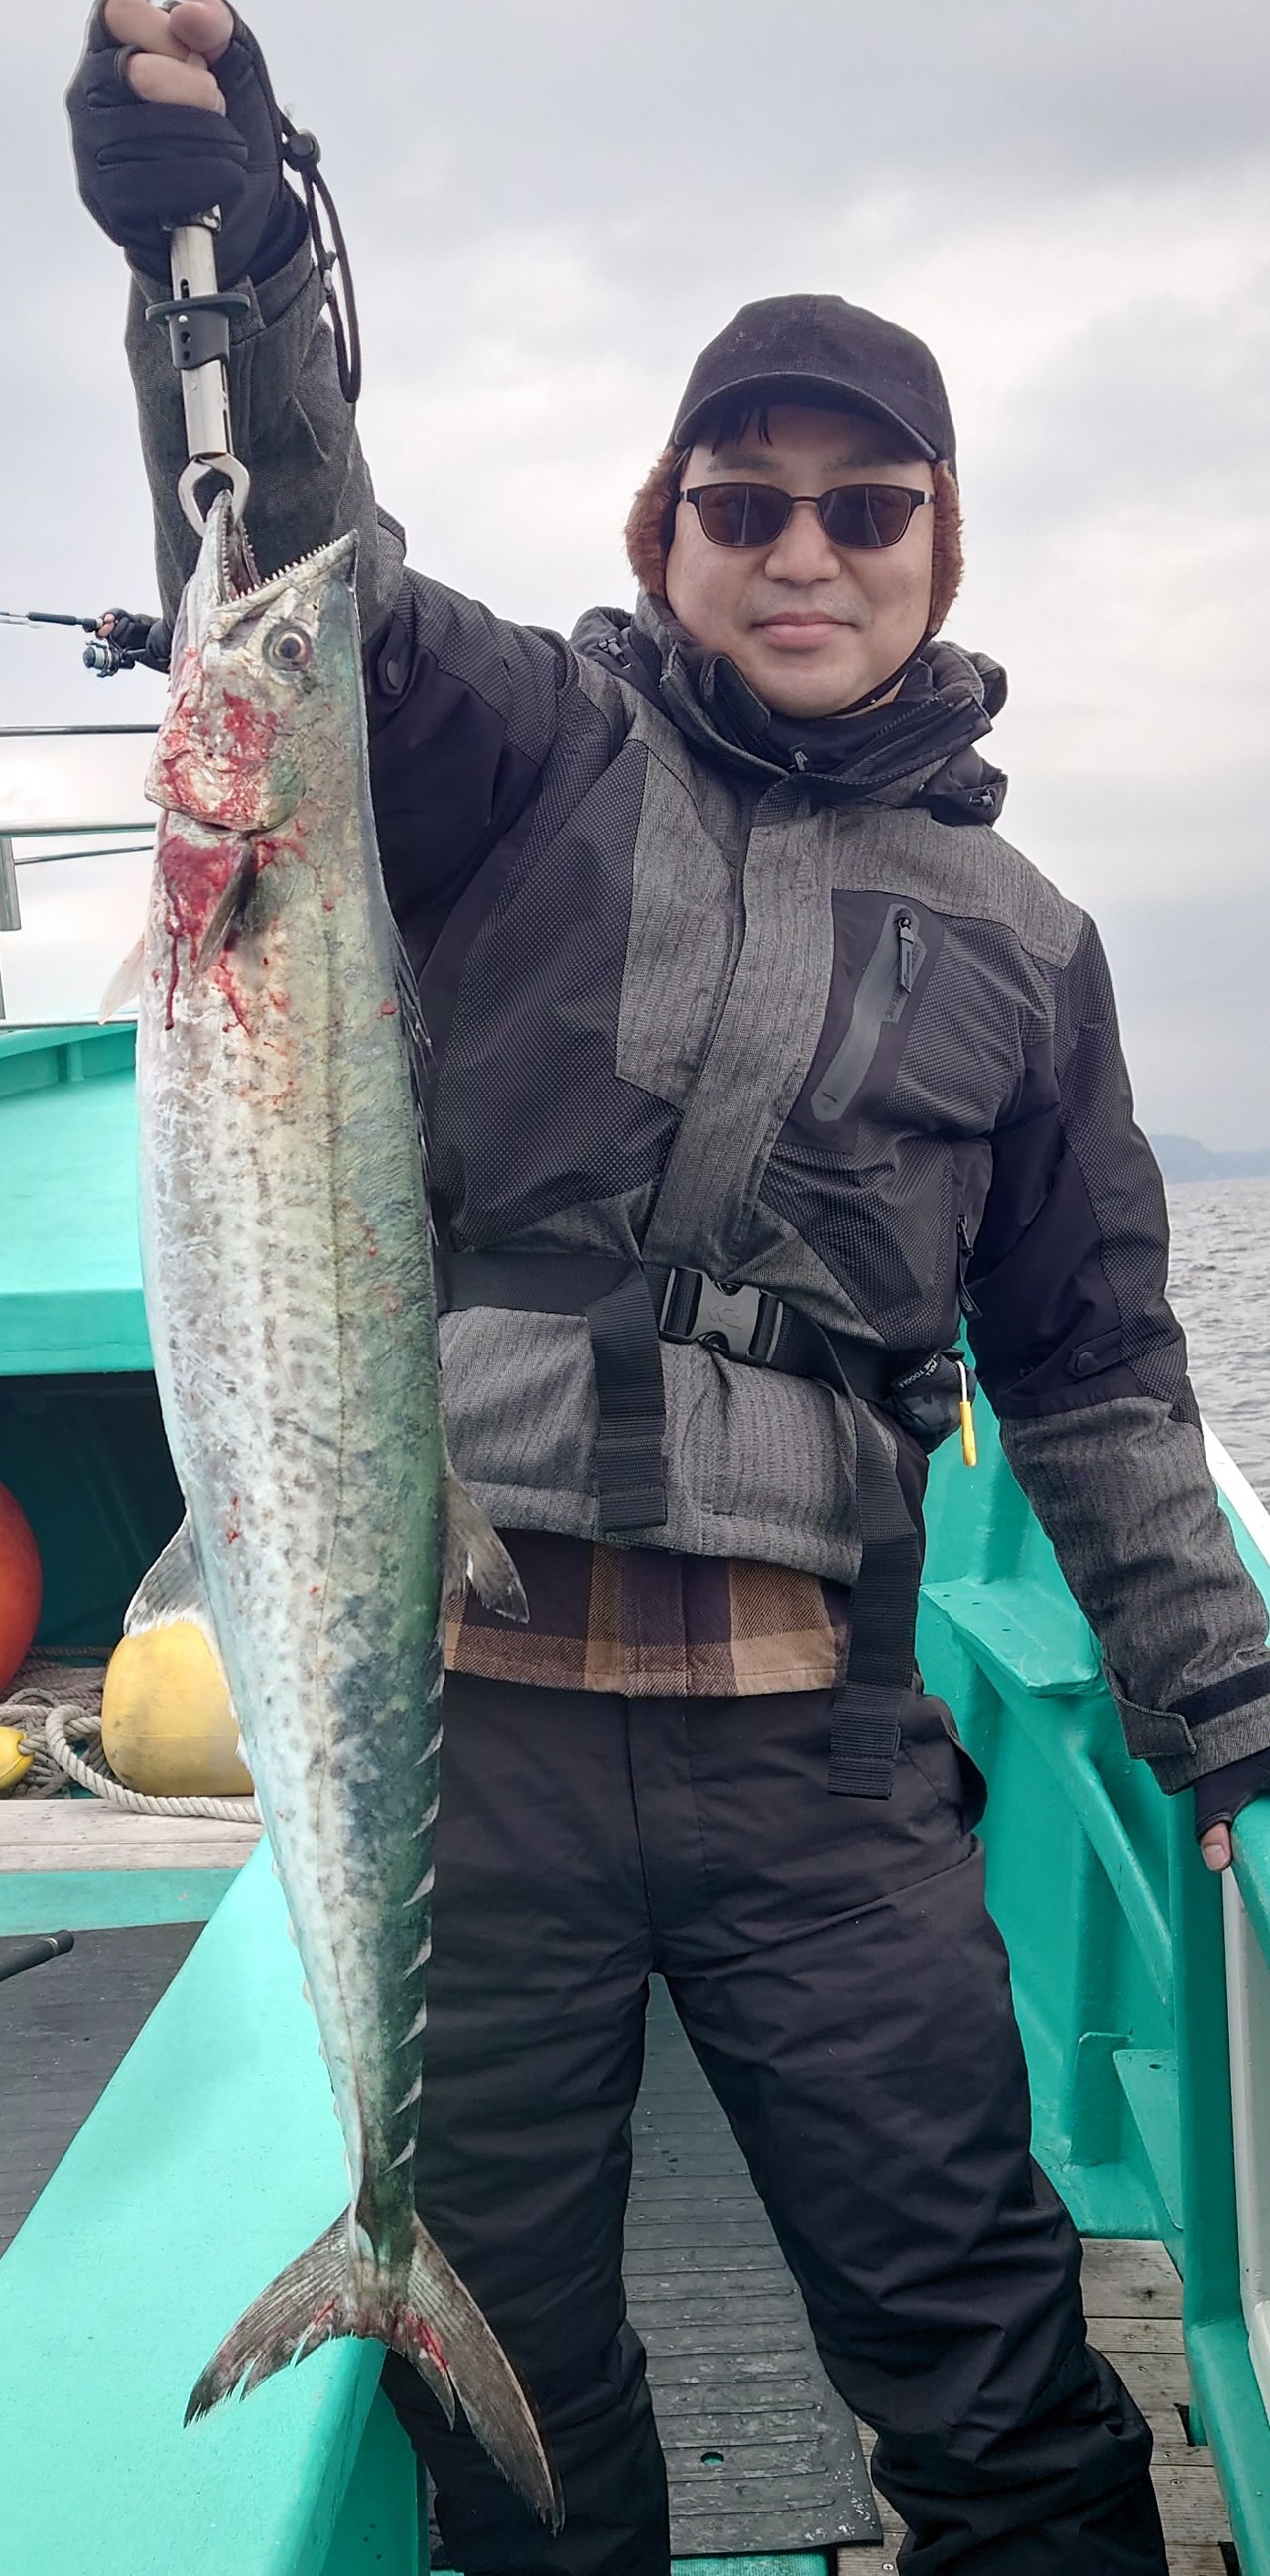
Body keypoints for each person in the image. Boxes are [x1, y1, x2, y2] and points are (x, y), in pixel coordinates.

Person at [66, 8, 1270, 2571]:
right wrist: (229, 244)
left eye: (869, 506)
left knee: (985, 2355)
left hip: (811, 1768)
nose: (805, 550)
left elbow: (1097, 1384)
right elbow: (291, 558)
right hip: (464, 1735)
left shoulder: (1030, 946)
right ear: (666, 534)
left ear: (942, 545)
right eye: (746, 503)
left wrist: (1237, 1717)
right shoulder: (517, 750)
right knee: (512, 2392)